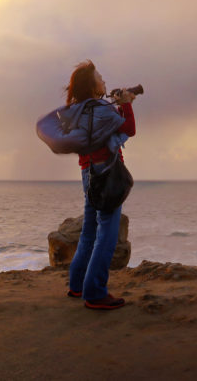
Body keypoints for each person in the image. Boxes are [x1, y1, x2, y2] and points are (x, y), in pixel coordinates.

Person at [64, 60, 136, 311]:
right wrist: (126, 104)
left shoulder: (79, 109)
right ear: (93, 87)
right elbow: (129, 129)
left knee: (89, 232)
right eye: (101, 78)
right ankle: (95, 293)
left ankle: (77, 285)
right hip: (106, 173)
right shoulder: (100, 108)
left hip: (88, 173)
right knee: (107, 235)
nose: (105, 82)